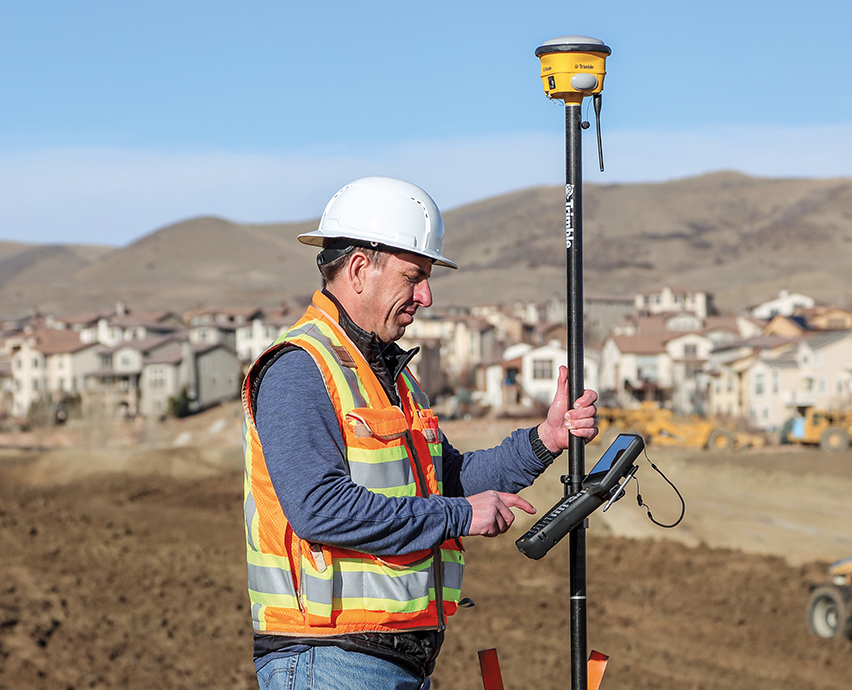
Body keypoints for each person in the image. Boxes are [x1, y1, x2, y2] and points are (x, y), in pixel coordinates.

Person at [243, 177, 598, 689]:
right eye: (414, 277)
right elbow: (318, 507)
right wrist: (460, 515)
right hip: (330, 659)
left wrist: (545, 440)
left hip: (398, 660)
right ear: (359, 269)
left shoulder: (391, 376)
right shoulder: (300, 368)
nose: (426, 297)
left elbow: (447, 478)